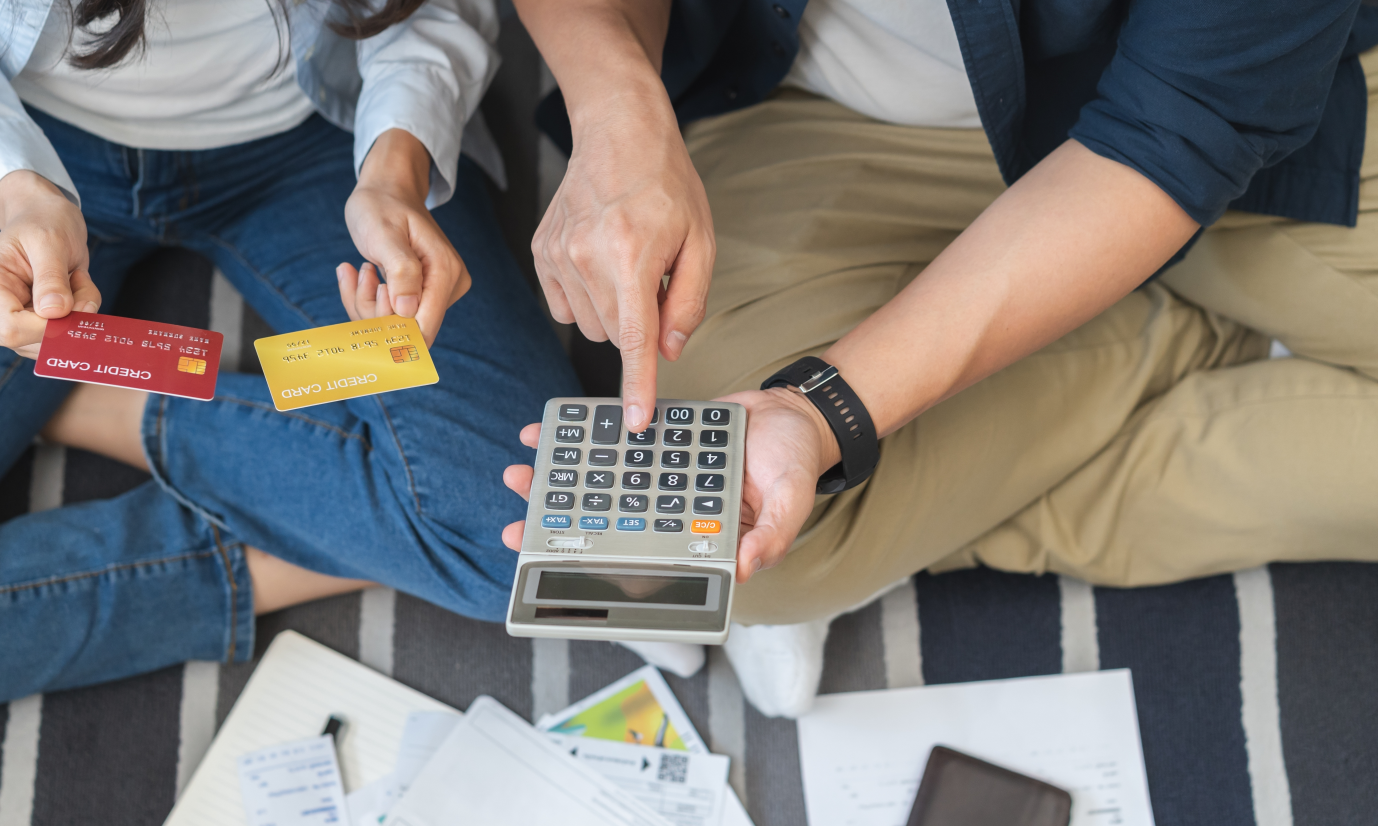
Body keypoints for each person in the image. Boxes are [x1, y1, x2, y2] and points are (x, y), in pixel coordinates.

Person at [502, 0, 1378, 715]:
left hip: (1238, 125)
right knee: (724, 542)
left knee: (777, 510)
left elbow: (1182, 130)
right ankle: (1167, 333)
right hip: (830, 123)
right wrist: (620, 108)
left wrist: (829, 408)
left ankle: (951, 477)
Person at [0, 0, 581, 733]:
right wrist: (10, 191)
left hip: (320, 134)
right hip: (6, 121)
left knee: (547, 539)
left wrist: (395, 170)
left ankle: (107, 399)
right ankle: (384, 533)